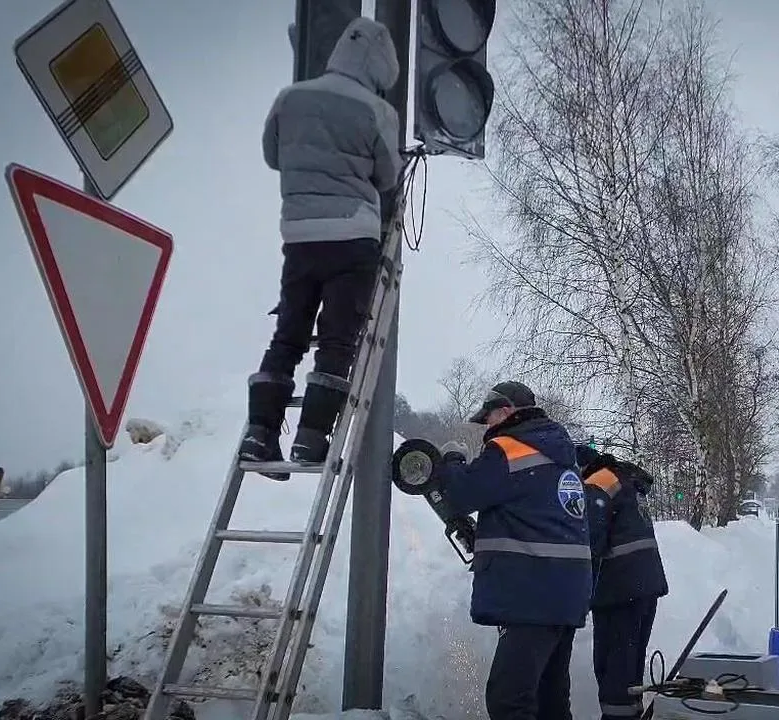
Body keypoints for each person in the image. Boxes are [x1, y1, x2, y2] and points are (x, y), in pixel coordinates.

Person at [240, 16, 403, 479]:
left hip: (299, 237)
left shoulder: (291, 98)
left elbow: (273, 154)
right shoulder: (377, 110)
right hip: (353, 237)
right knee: (336, 340)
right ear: (380, 68)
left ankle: (259, 434)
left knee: (287, 336)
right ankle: (311, 438)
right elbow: (387, 174)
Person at [432, 380, 593, 720]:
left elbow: (463, 495)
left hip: (533, 594)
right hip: (565, 592)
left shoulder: (510, 449)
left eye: (487, 418)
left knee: (509, 701)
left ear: (505, 411)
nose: (486, 427)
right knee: (550, 699)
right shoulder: (560, 455)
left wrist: (453, 459)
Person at [575, 444, 669, 720]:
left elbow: (589, 542)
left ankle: (618, 717)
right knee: (630, 665)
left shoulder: (596, 483)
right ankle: (632, 713)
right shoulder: (622, 480)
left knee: (613, 666)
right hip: (643, 586)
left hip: (619, 589)